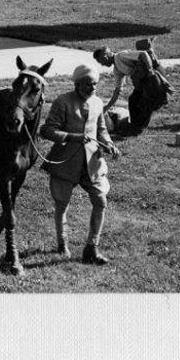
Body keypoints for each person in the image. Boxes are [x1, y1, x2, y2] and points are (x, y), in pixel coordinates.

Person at [40, 64, 120, 265]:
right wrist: (72, 137)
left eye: (95, 84)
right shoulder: (63, 102)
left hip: (92, 163)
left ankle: (91, 248)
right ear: (77, 84)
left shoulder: (97, 103)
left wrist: (109, 144)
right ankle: (62, 243)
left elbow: (101, 129)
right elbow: (47, 130)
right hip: (65, 162)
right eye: (87, 85)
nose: (92, 88)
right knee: (62, 203)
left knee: (100, 201)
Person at [93, 46, 174, 134]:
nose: (102, 65)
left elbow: (143, 54)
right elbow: (117, 90)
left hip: (150, 80)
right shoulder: (117, 70)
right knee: (133, 100)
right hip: (141, 84)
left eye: (101, 61)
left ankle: (138, 128)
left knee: (146, 103)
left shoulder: (121, 56)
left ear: (105, 56)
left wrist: (150, 71)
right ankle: (135, 126)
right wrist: (108, 106)